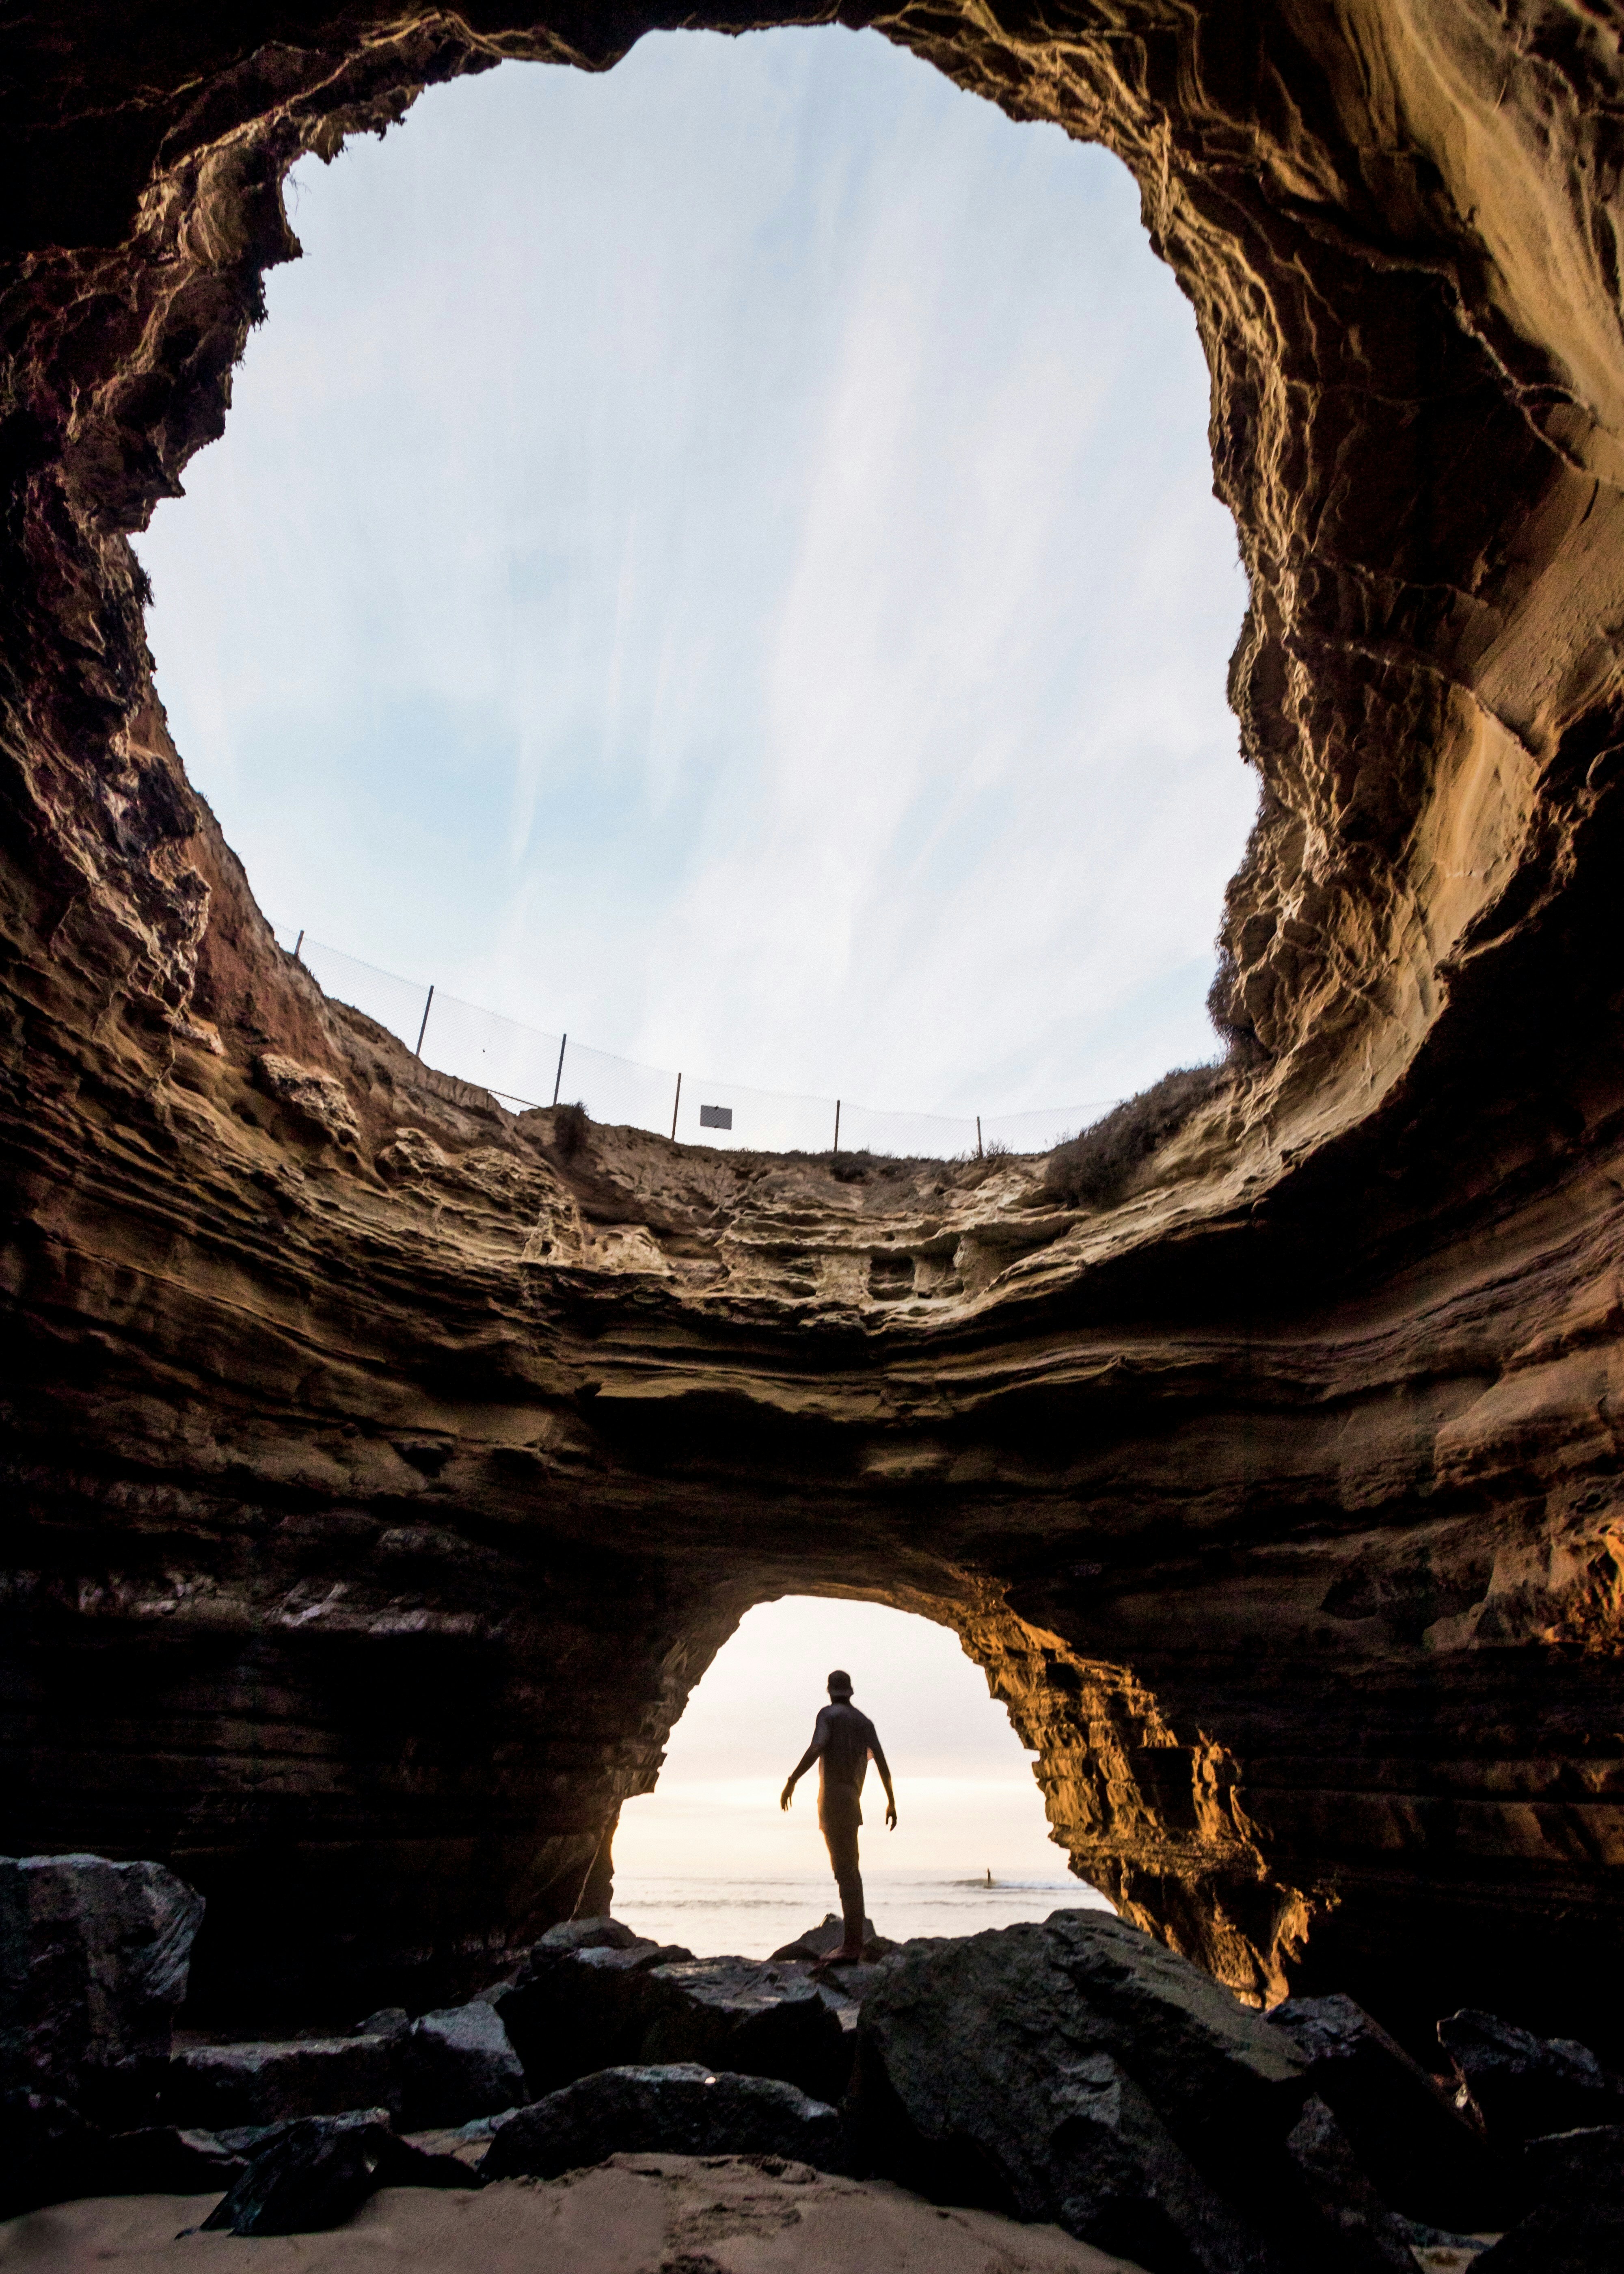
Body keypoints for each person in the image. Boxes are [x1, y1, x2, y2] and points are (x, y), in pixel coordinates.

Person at [780, 1667, 896, 1966]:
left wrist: (792, 1780)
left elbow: (818, 1746)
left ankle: (852, 1945)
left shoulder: (828, 1715)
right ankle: (854, 1941)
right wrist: (891, 1802)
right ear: (850, 1692)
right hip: (853, 1802)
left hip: (832, 1801)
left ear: (830, 1692)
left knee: (845, 1873)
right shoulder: (865, 1722)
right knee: (851, 1871)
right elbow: (883, 1763)